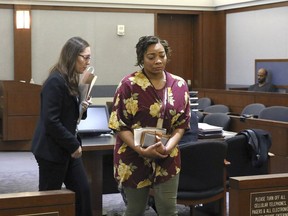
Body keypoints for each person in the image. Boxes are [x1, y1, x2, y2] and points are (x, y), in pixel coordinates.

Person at [108, 35, 191, 216]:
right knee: (136, 210)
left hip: (167, 154)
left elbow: (182, 124)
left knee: (169, 210)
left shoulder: (179, 84)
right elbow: (119, 124)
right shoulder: (128, 85)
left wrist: (168, 147)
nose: (158, 61)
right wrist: (140, 149)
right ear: (141, 59)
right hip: (133, 154)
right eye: (151, 57)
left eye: (161, 55)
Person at [31, 36, 93, 216]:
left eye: (89, 58)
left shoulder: (71, 79)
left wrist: (82, 105)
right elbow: (51, 121)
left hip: (67, 148)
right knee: (50, 199)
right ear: (73, 55)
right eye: (85, 57)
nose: (88, 62)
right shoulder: (55, 81)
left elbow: (71, 115)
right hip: (52, 149)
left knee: (83, 191)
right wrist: (73, 145)